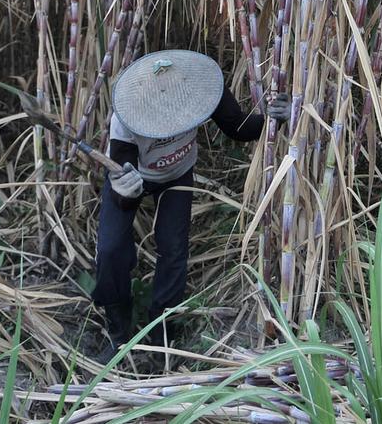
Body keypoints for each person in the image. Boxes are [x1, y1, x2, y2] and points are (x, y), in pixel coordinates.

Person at [94, 49, 287, 361]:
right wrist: (125, 192)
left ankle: (162, 333)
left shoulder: (202, 91)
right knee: (111, 249)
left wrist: (272, 118)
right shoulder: (126, 118)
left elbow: (238, 128)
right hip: (132, 177)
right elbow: (121, 185)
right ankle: (118, 331)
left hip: (177, 174)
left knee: (173, 248)